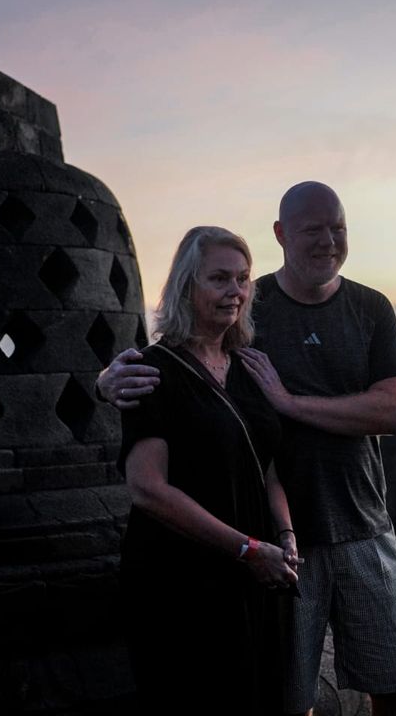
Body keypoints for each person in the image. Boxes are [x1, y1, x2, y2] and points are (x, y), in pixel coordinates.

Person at [101, 183, 396, 716]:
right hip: (275, 541)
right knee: (286, 696)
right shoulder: (252, 312)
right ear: (281, 235)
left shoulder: (368, 307)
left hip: (359, 523)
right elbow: (176, 366)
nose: (327, 241)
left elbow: (395, 413)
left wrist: (290, 403)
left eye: (337, 227)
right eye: (311, 230)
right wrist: (104, 379)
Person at [117, 225, 300, 715]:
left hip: (256, 573)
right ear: (186, 286)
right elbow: (147, 488)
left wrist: (283, 535)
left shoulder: (250, 367)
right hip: (183, 580)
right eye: (219, 278)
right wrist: (245, 548)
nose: (235, 291)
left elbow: (268, 468)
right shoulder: (151, 370)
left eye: (242, 279)